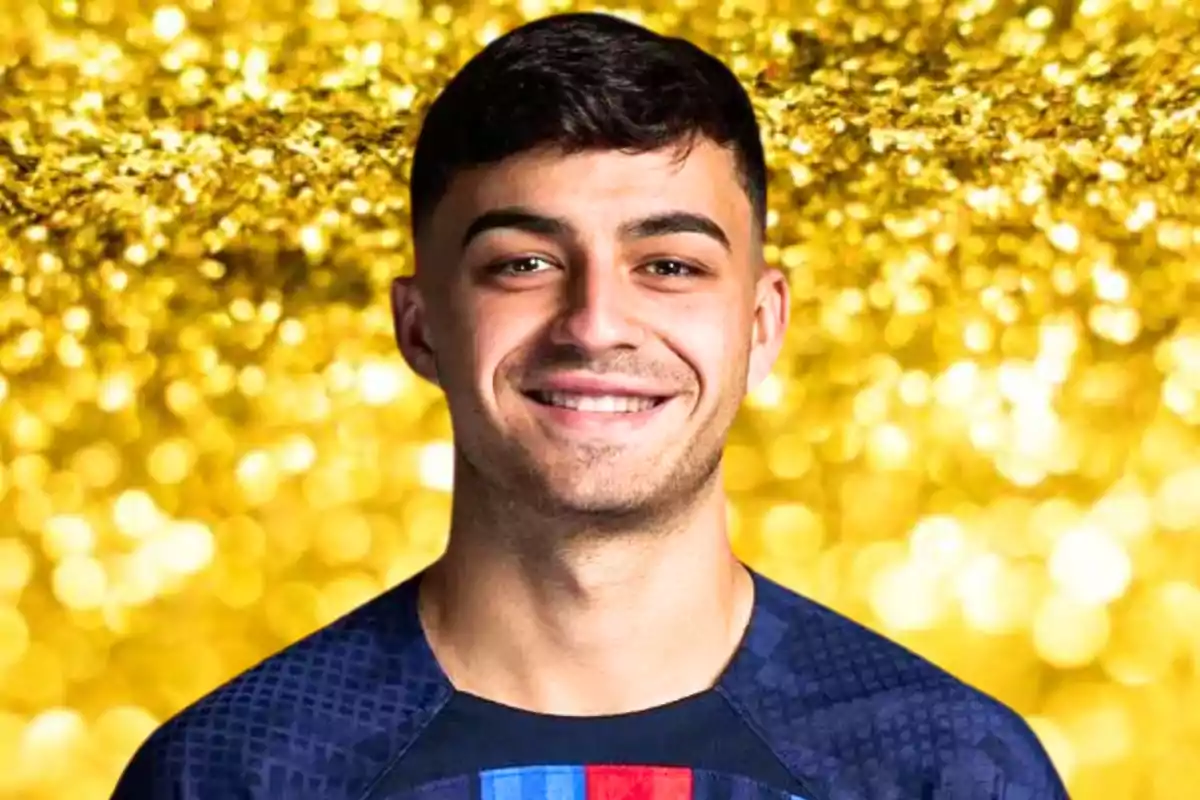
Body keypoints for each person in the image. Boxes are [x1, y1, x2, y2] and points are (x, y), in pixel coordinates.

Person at [112, 12, 1069, 800]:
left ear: (763, 324)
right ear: (419, 327)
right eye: (523, 263)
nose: (596, 322)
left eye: (670, 265)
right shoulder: (231, 775)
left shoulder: (949, 770)